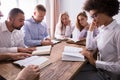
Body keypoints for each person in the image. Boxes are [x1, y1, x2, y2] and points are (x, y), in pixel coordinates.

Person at [74, 0, 120, 80]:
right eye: (92, 17)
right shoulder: (103, 29)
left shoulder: (117, 32)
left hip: (108, 76)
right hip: (100, 69)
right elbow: (90, 46)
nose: (94, 20)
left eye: (95, 15)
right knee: (75, 72)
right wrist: (90, 30)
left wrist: (95, 62)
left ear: (106, 11)